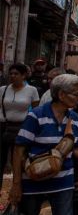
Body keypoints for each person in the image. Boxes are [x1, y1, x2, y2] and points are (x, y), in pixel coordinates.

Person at [9, 74, 78, 215]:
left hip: (63, 182)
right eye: (75, 94)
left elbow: (75, 148)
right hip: (32, 183)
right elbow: (19, 150)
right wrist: (16, 184)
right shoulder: (36, 115)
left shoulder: (74, 118)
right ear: (61, 94)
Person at [0, 63, 40, 193]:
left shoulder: (32, 90)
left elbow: (36, 111)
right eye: (11, 73)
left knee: (19, 162)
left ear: (24, 75)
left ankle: (18, 193)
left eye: (16, 74)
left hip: (21, 129)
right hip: (3, 128)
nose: (12, 76)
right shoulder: (3, 89)